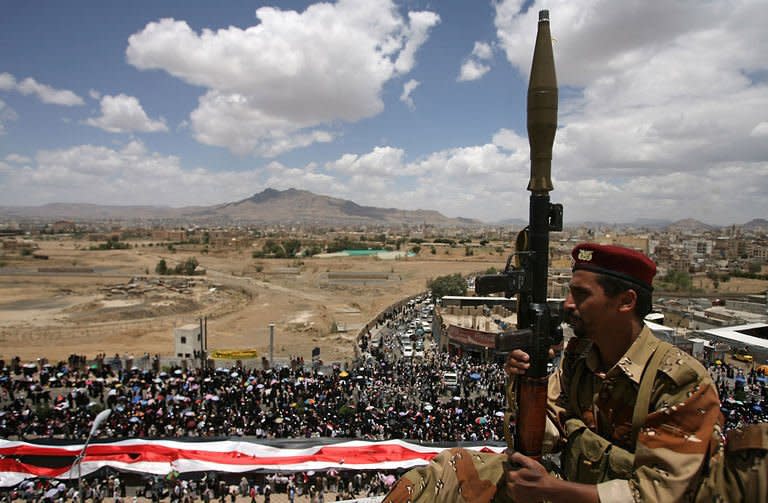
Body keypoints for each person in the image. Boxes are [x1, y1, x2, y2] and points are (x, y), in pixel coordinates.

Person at [384, 243, 724, 502]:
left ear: (626, 302)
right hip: (569, 490)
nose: (567, 304)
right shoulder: (582, 357)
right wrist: (525, 382)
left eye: (581, 294)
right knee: (443, 474)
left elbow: (659, 495)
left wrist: (555, 490)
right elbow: (544, 436)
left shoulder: (678, 382)